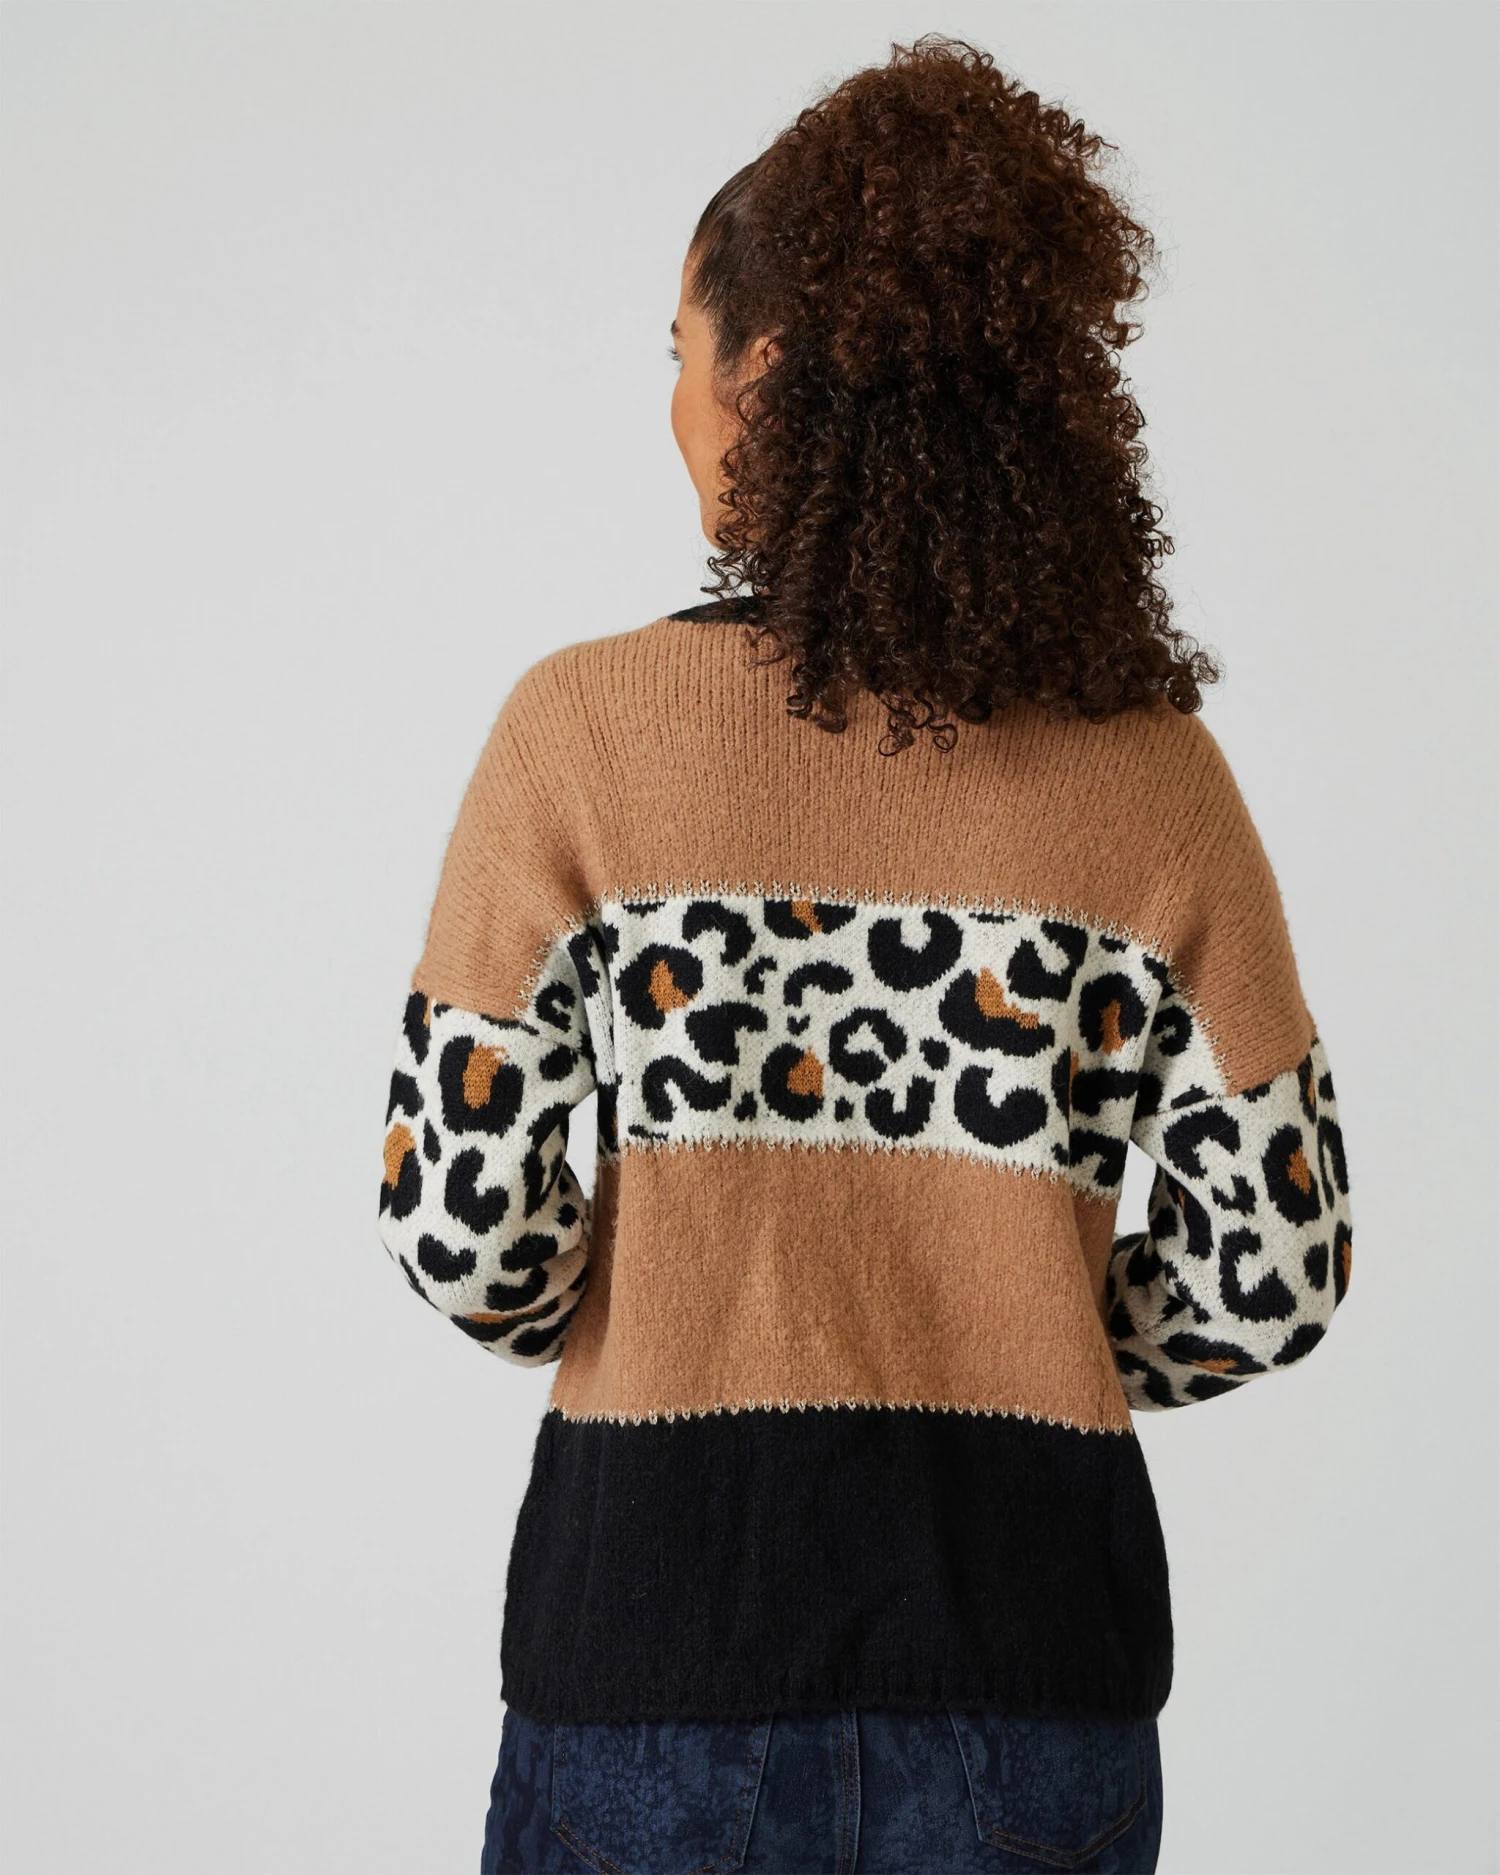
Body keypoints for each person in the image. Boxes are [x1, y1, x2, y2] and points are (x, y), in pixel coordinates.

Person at [377, 34, 1354, 1875]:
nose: (671, 402)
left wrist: (652, 1297)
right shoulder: (1155, 774)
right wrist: (1028, 1325)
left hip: (653, 1654)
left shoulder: (580, 733)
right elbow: (1278, 1268)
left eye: (676, 351)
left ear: (757, 379)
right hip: (1034, 1684)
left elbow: (461, 1231)